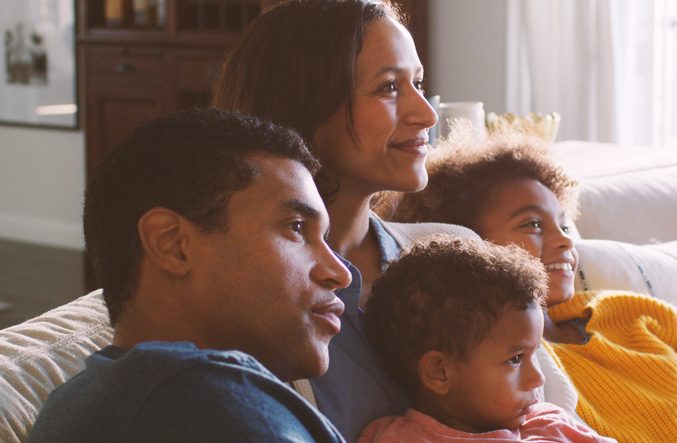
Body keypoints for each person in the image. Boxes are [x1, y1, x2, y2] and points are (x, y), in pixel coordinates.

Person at [384, 124, 677, 443]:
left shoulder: (628, 311)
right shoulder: (505, 370)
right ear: (467, 244)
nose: (563, 240)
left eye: (564, 223)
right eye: (533, 224)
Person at [212, 1, 487, 440]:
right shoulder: (253, 310)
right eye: (389, 88)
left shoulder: (458, 251)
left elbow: (551, 409)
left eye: (418, 82)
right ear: (304, 107)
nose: (427, 114)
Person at [28, 108, 353, 442]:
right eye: (296, 228)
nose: (341, 274)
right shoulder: (218, 412)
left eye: (324, 239)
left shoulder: (72, 403)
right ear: (173, 244)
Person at [359, 238, 617, 442]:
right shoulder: (400, 439)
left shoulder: (551, 424)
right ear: (440, 372)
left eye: (534, 353)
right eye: (515, 359)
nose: (538, 379)